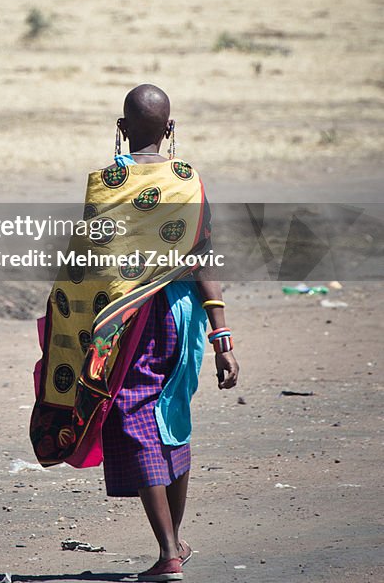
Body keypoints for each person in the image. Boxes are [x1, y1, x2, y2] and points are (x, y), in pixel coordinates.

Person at [30, 84, 239, 583]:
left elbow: (92, 264)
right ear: (170, 129)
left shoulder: (105, 183)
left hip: (127, 322)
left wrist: (72, 324)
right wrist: (222, 334)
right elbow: (202, 255)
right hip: (182, 317)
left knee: (132, 416)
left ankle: (168, 551)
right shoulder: (188, 182)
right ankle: (174, 543)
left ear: (121, 128)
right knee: (171, 416)